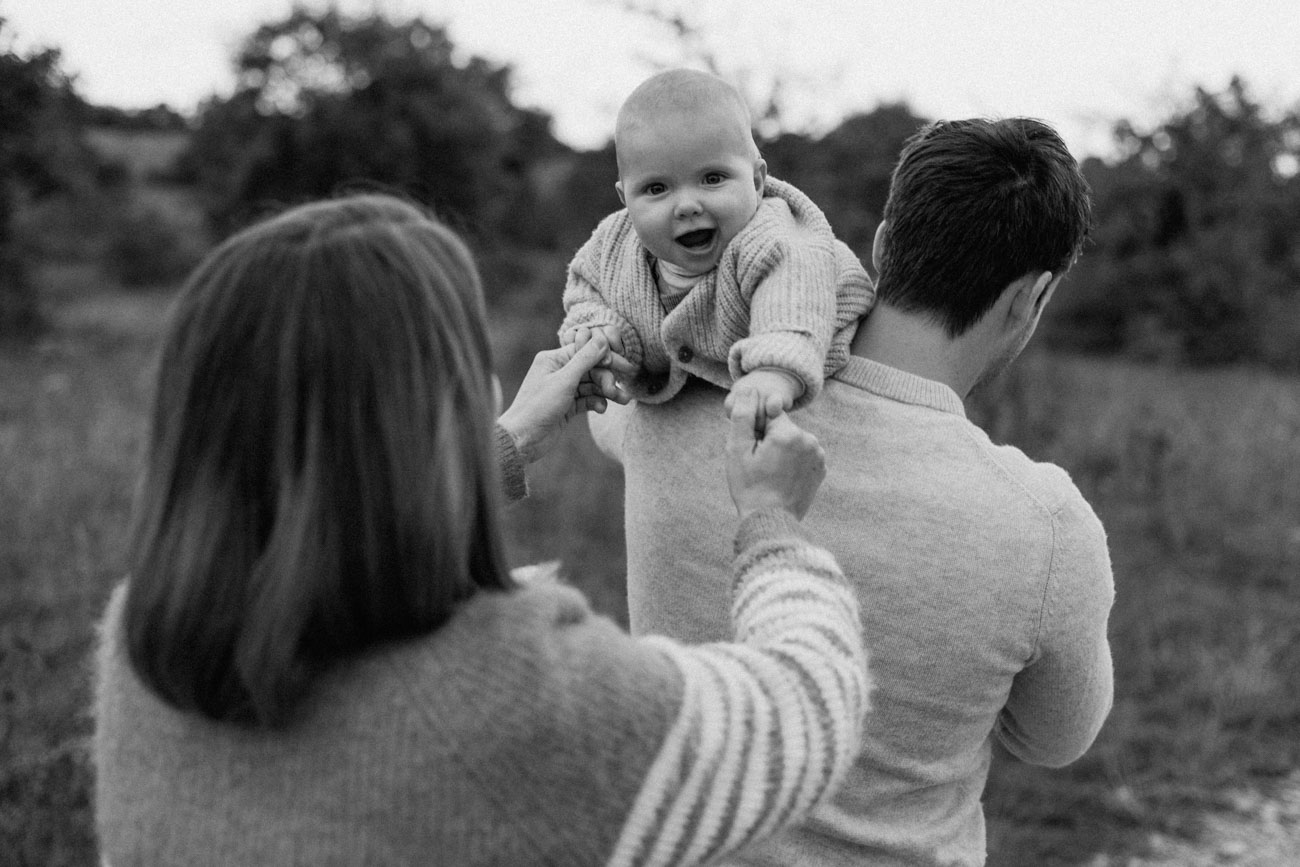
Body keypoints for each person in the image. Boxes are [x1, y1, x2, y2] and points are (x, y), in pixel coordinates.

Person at [92, 194, 874, 866]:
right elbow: (804, 711)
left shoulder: (143, 636)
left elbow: (333, 528)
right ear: (441, 405)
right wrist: (773, 525)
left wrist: (504, 445)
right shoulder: (513, 694)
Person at [589, 118, 1116, 866]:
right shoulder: (1047, 525)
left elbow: (605, 401)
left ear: (881, 245)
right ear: (1031, 296)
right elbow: (1057, 738)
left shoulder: (686, 406)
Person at [560, 68, 875, 429]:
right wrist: (599, 329)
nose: (686, 205)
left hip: (823, 329)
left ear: (756, 182)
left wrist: (773, 372)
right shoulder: (613, 247)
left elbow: (793, 304)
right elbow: (585, 287)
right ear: (625, 200)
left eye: (712, 179)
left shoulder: (774, 239)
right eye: (657, 188)